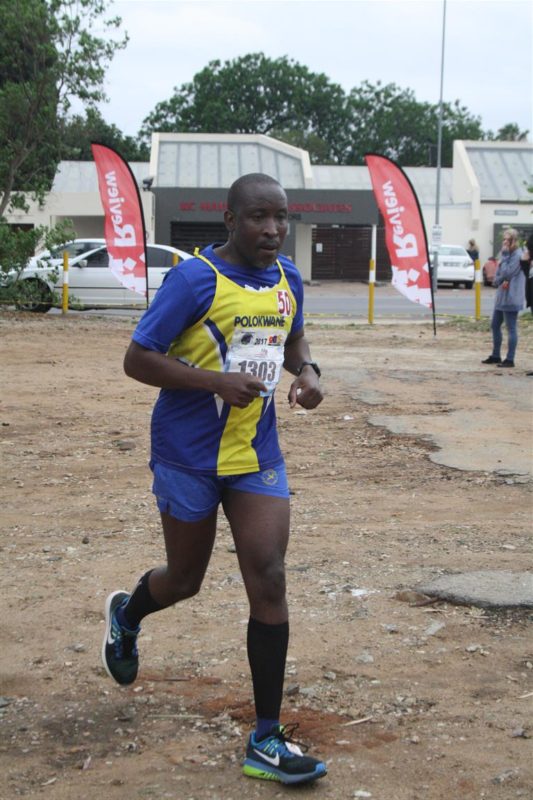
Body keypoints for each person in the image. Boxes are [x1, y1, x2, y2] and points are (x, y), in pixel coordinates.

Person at [101, 173, 327, 786]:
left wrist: (307, 372)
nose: (273, 230)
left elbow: (293, 336)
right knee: (184, 579)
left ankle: (266, 739)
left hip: (256, 453)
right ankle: (127, 615)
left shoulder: (288, 277)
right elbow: (137, 358)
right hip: (188, 455)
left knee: (269, 577)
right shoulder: (195, 279)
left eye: (281, 218)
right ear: (230, 220)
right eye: (258, 217)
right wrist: (214, 382)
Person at [481, 228, 524, 368]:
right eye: (504, 239)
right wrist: (498, 279)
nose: (504, 242)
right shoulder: (506, 254)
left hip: (511, 297)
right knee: (495, 325)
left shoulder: (517, 255)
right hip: (501, 296)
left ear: (514, 241)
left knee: (511, 327)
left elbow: (507, 272)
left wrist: (504, 258)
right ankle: (496, 355)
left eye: (507, 240)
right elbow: (499, 273)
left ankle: (510, 359)